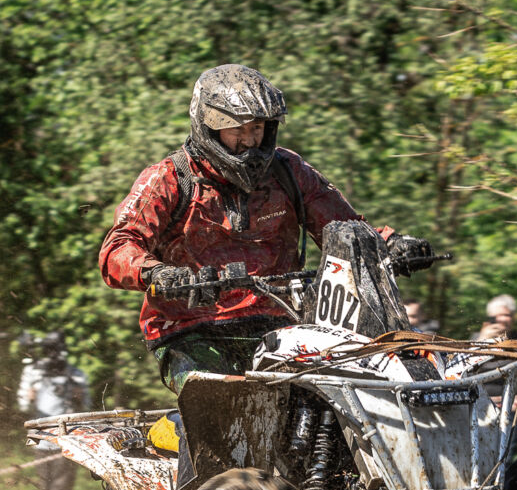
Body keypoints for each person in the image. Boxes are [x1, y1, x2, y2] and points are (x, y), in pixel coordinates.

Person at [99, 63, 429, 393]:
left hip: (279, 323)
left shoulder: (289, 170)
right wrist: (158, 274)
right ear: (208, 128)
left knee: (336, 390)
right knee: (220, 399)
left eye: (256, 128)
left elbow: (344, 227)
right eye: (237, 129)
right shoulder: (169, 178)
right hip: (190, 329)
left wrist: (389, 245)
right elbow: (118, 247)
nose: (249, 140)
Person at [17, 332, 91, 490]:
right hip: (40, 438)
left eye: (55, 350)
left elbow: (87, 407)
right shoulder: (32, 372)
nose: (53, 356)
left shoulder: (76, 374)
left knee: (61, 488)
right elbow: (23, 406)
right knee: (45, 486)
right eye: (49, 350)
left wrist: (78, 397)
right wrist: (30, 397)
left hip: (67, 438)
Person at [472, 295, 517, 397]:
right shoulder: (475, 339)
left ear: (514, 317)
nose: (501, 319)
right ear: (489, 319)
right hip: (476, 400)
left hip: (511, 402)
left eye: (505, 315)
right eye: (495, 316)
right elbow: (463, 369)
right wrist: (482, 340)